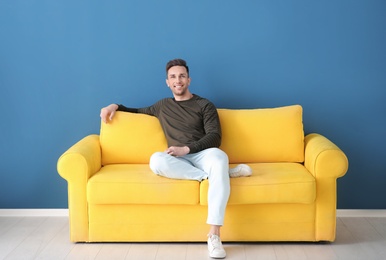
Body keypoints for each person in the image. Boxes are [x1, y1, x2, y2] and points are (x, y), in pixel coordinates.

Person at [100, 58, 252, 259]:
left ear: (188, 80)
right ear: (167, 82)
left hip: (202, 153)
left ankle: (214, 235)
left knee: (220, 157)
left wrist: (186, 149)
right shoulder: (162, 106)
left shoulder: (204, 104)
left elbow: (215, 137)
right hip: (178, 160)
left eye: (181, 76)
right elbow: (134, 111)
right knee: (156, 160)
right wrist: (113, 106)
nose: (177, 80)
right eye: (173, 77)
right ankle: (221, 176)